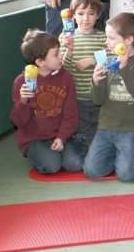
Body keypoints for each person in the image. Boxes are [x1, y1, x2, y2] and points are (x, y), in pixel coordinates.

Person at [84, 13, 134, 182]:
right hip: (106, 126)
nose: (106, 42)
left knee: (127, 176)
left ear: (128, 40)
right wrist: (96, 82)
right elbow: (98, 100)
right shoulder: (107, 62)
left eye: (111, 38)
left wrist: (125, 67)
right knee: (91, 171)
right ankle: (122, 155)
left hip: (131, 128)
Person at [10, 30, 83, 174]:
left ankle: (73, 143)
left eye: (59, 51)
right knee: (52, 166)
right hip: (35, 138)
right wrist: (23, 102)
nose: (60, 56)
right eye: (55, 54)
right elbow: (18, 122)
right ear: (40, 62)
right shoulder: (21, 82)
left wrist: (62, 138)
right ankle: (39, 154)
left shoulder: (66, 78)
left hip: (61, 135)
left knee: (75, 164)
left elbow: (71, 115)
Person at [59, 0, 107, 151]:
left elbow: (114, 61)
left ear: (98, 15)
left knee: (99, 132)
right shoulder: (66, 38)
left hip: (99, 99)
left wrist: (93, 60)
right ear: (72, 15)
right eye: (80, 13)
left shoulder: (103, 38)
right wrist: (69, 50)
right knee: (81, 134)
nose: (85, 19)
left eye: (91, 13)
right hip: (75, 99)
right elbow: (61, 69)